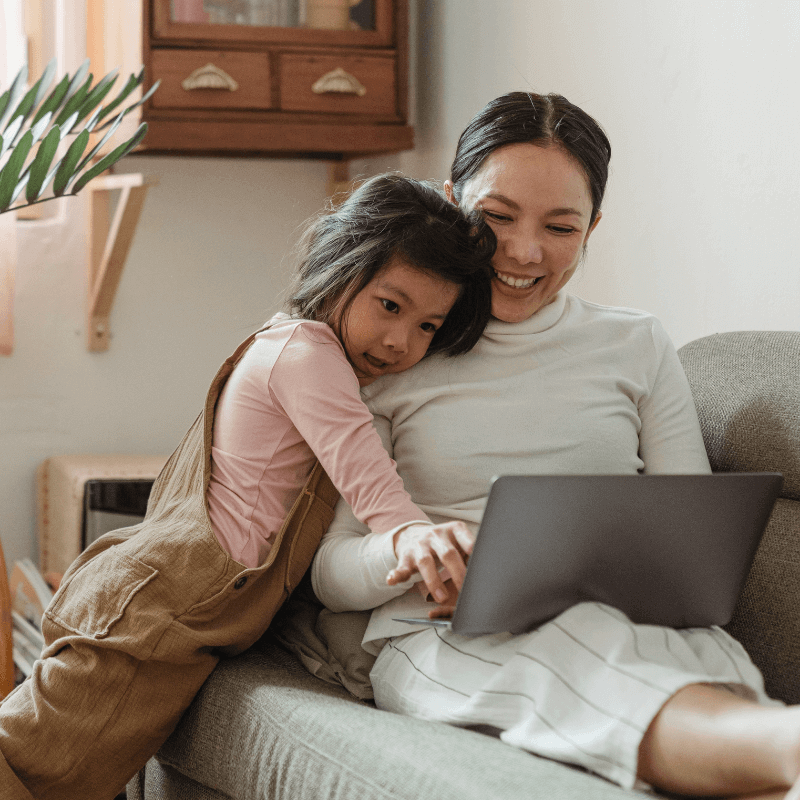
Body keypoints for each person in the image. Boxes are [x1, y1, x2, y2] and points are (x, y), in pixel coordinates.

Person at [310, 94, 800, 800]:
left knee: (673, 669)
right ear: (452, 203)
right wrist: (409, 550)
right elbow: (329, 570)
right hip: (444, 634)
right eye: (496, 218)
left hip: (636, 620)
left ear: (592, 228)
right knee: (591, 658)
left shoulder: (637, 343)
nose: (523, 251)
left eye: (560, 226)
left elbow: (693, 543)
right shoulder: (399, 347)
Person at [0, 174, 495, 800]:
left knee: (76, 776)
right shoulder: (306, 355)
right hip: (157, 610)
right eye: (390, 306)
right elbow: (371, 484)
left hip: (173, 610)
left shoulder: (295, 344)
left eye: (429, 326)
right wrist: (421, 538)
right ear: (340, 267)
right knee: (33, 766)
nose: (401, 341)